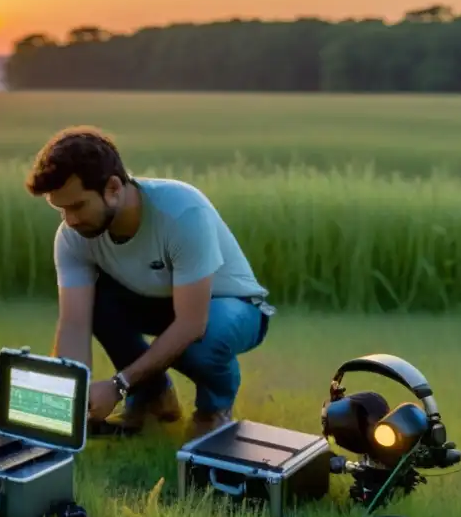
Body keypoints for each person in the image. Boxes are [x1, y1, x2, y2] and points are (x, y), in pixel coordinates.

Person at [24, 126, 274, 439]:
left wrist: (118, 385)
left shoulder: (182, 211)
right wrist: (64, 401)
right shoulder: (72, 236)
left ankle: (214, 411)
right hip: (160, 303)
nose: (70, 220)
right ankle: (154, 397)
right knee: (97, 302)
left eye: (77, 206)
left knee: (199, 345)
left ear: (113, 188)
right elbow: (74, 323)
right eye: (61, 209)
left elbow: (190, 324)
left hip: (231, 306)